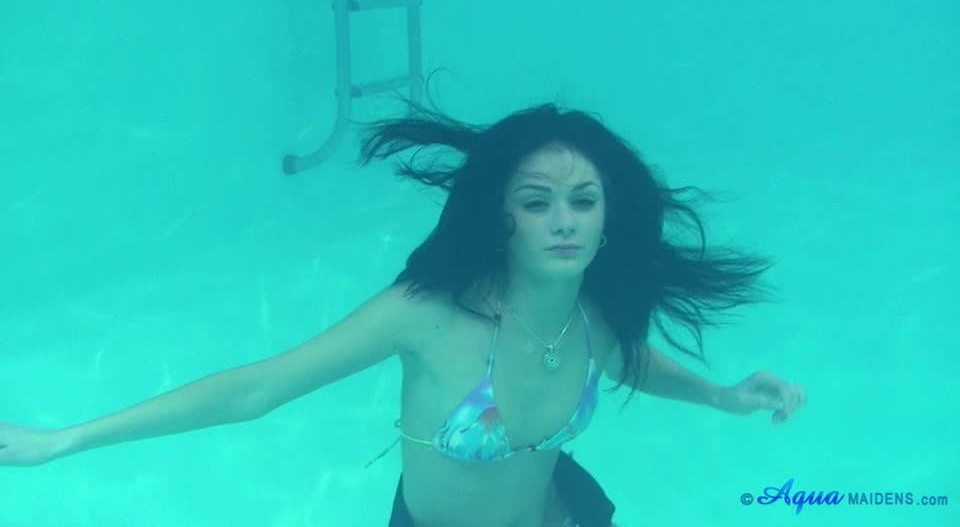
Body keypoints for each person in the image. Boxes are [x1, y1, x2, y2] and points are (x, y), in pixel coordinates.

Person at [0, 100, 807, 526]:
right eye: (537, 202)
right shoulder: (427, 315)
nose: (563, 222)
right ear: (502, 216)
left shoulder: (593, 314)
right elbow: (257, 389)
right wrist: (67, 439)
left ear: (607, 218)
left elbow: (627, 358)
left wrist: (720, 395)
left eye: (583, 202)